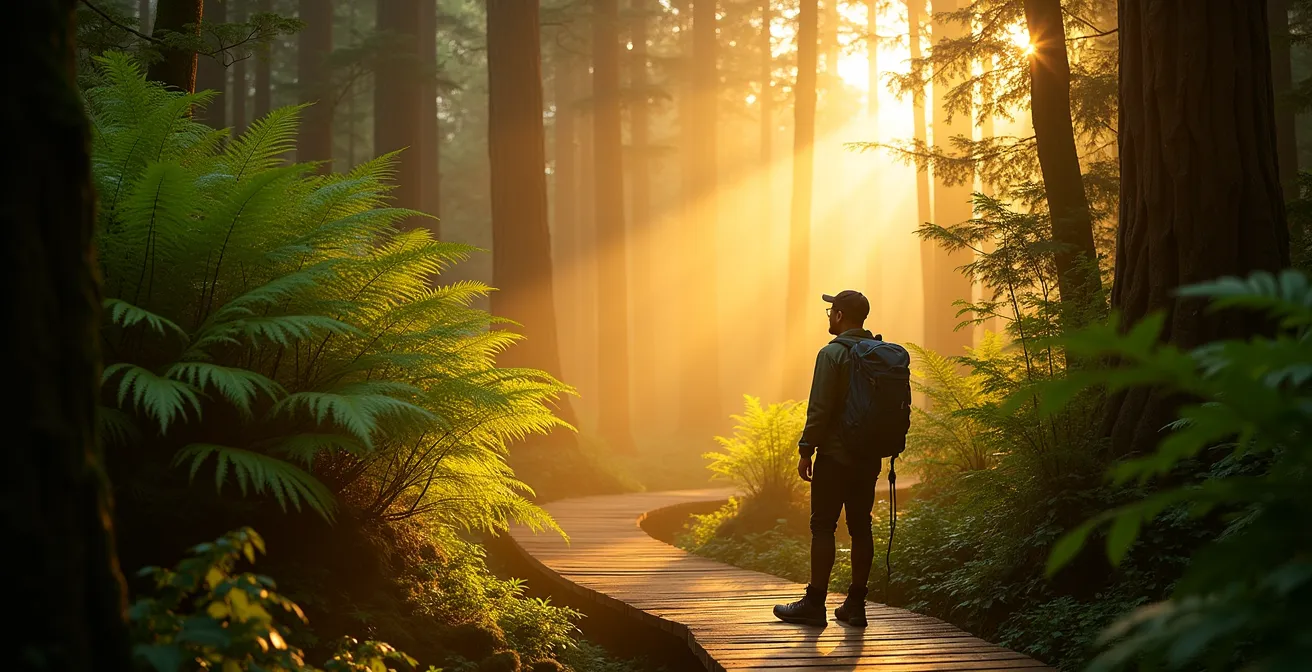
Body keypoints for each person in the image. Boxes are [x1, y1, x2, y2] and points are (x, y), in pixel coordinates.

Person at [773, 290, 880, 628]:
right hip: (869, 457)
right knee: (861, 527)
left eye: (830, 310)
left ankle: (814, 604)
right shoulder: (879, 353)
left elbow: (819, 409)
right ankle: (855, 605)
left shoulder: (832, 354)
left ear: (839, 316)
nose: (828, 316)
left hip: (835, 456)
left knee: (823, 526)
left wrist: (806, 450)